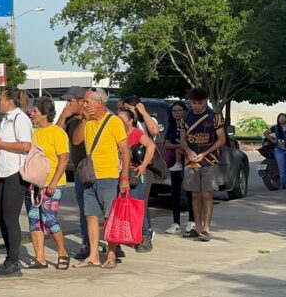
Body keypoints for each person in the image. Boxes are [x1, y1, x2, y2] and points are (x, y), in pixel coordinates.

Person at [72, 87, 130, 270]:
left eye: (88, 101)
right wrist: (83, 120)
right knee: (90, 216)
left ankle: (111, 254)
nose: (84, 104)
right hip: (90, 176)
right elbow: (75, 141)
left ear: (99, 103)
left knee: (109, 217)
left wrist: (124, 177)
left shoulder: (114, 122)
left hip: (109, 176)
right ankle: (93, 255)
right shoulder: (87, 122)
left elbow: (125, 150)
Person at [0, 88, 33, 278]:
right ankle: (9, 258)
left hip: (16, 173)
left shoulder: (20, 118)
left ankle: (14, 262)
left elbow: (25, 145)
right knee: (0, 216)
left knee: (10, 218)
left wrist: (1, 144)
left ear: (10, 101)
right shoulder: (6, 119)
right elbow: (1, 148)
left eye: (2, 99)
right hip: (3, 172)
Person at [24, 97, 70, 270]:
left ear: (44, 114)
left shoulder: (57, 133)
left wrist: (53, 181)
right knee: (34, 220)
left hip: (53, 183)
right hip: (33, 183)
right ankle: (40, 258)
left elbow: (64, 159)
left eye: (35, 111)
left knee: (49, 219)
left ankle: (62, 252)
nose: (32, 114)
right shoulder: (32, 133)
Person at [180, 87, 226, 242]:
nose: (197, 106)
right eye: (194, 103)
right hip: (191, 160)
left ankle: (206, 228)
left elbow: (221, 140)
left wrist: (205, 153)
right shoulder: (186, 118)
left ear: (205, 101)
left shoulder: (214, 117)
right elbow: (183, 139)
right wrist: (188, 151)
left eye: (200, 103)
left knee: (207, 194)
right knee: (194, 195)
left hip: (209, 159)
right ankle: (197, 227)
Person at [55, 86, 89, 260]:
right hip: (80, 171)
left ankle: (113, 243)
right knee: (84, 209)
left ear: (82, 101)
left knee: (102, 209)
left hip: (99, 169)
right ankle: (86, 243)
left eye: (71, 101)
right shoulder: (69, 120)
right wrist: (63, 115)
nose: (67, 104)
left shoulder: (92, 118)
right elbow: (56, 135)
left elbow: (78, 140)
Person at [118, 109, 156, 253]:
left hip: (135, 174)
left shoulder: (136, 133)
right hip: (120, 173)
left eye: (122, 119)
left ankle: (145, 237)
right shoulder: (117, 134)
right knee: (122, 206)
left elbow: (151, 146)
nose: (119, 122)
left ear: (130, 121)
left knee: (137, 206)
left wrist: (143, 165)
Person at [163, 101, 195, 234]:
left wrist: (184, 148)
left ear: (185, 111)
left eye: (179, 110)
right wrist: (179, 147)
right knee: (175, 193)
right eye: (174, 110)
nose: (177, 113)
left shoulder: (190, 124)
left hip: (189, 162)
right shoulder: (171, 126)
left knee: (190, 192)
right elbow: (166, 144)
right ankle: (176, 222)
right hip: (176, 163)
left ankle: (192, 221)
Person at [264, 113, 286, 189]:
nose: (282, 119)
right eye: (280, 118)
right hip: (279, 150)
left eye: (283, 117)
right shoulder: (276, 127)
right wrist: (273, 140)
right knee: (282, 169)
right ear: (278, 119)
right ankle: (283, 184)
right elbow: (265, 133)